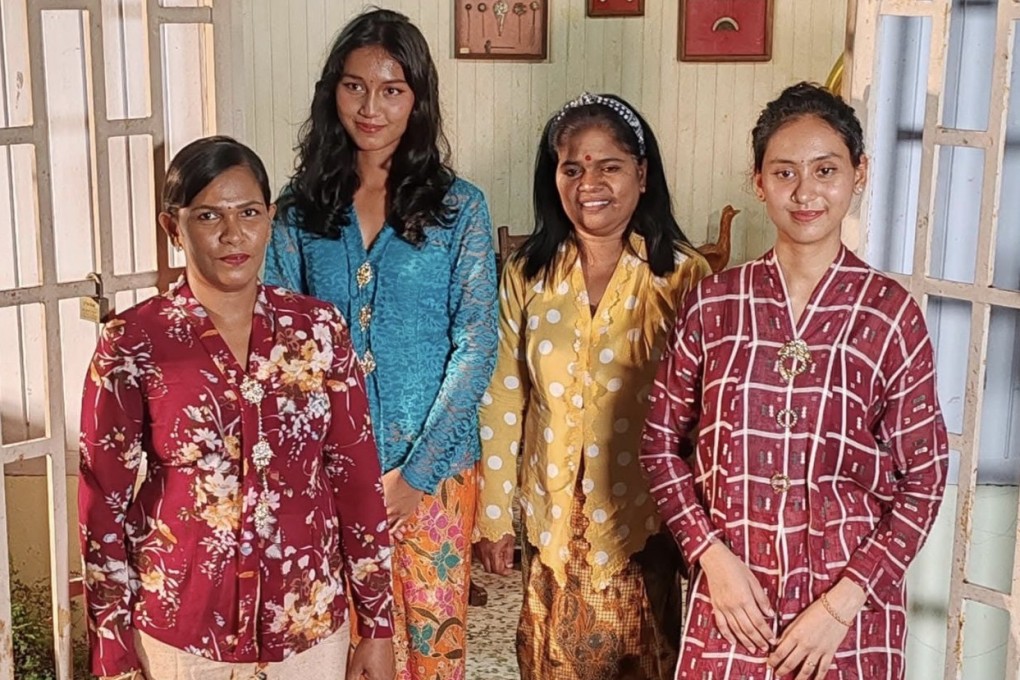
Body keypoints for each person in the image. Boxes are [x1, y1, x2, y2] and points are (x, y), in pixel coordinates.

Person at [640, 82, 949, 680]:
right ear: (758, 181)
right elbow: (659, 443)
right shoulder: (714, 305)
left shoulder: (890, 313)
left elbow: (927, 475)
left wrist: (844, 603)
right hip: (733, 608)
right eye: (784, 173)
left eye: (826, 170)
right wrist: (710, 557)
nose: (805, 192)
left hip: (847, 618)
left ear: (859, 174)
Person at [78, 136, 395, 680]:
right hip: (181, 634)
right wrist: (111, 648)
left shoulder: (318, 331)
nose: (233, 234)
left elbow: (357, 481)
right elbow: (101, 503)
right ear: (172, 227)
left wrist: (378, 626)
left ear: (269, 218)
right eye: (208, 215)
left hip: (309, 630)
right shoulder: (134, 341)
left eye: (248, 212)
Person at [263, 9, 498, 679]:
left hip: (436, 477)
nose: (371, 107)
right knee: (339, 651)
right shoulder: (300, 210)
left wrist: (414, 474)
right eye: (354, 87)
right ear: (330, 92)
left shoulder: (460, 210)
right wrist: (337, 469)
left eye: (391, 90)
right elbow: (283, 349)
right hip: (328, 478)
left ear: (417, 99)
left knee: (430, 650)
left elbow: (477, 343)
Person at [474, 92, 711, 680]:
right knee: (550, 662)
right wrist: (496, 515)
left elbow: (704, 415)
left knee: (644, 661)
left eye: (610, 166)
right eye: (572, 167)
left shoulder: (681, 277)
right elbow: (506, 396)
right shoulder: (528, 274)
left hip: (644, 520)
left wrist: (702, 529)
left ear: (643, 174)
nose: (589, 183)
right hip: (552, 522)